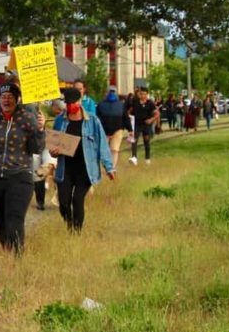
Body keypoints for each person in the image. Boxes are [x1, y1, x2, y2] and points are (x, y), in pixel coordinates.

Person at [0, 81, 46, 255]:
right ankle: (7, 253)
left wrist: (40, 129)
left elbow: (36, 148)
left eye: (11, 97)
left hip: (20, 176)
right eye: (3, 97)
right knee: (1, 222)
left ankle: (17, 257)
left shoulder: (27, 118)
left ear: (17, 99)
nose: (7, 100)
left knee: (14, 218)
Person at [49, 88, 115, 232]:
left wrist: (109, 167)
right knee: (64, 203)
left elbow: (102, 144)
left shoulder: (92, 120)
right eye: (67, 103)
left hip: (85, 169)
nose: (70, 106)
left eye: (73, 103)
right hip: (65, 168)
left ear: (80, 101)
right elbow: (53, 145)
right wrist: (54, 152)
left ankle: (76, 233)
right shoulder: (60, 120)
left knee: (77, 200)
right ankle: (69, 224)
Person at [96, 85, 129, 169]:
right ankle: (106, 165)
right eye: (110, 91)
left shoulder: (121, 105)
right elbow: (97, 118)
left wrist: (130, 129)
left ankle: (112, 168)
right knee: (103, 150)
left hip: (117, 130)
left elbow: (125, 117)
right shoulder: (101, 105)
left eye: (113, 92)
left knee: (114, 150)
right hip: (104, 131)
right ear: (106, 93)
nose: (111, 93)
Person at [128, 85, 157, 165]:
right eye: (141, 94)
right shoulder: (135, 101)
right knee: (134, 140)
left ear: (147, 94)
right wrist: (129, 117)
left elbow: (156, 114)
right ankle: (134, 157)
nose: (142, 96)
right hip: (137, 124)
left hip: (146, 125)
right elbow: (129, 110)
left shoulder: (150, 103)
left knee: (146, 141)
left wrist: (151, 120)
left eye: (144, 94)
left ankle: (147, 158)